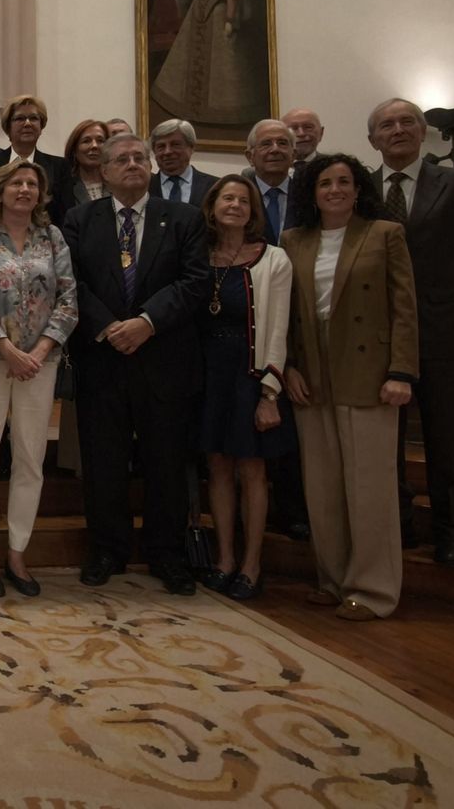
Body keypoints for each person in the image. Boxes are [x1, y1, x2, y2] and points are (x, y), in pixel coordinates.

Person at [62, 134, 210, 595]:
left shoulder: (184, 218)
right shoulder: (80, 219)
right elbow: (70, 283)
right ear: (104, 171)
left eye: (139, 158)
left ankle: (167, 554)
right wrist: (109, 327)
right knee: (103, 462)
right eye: (122, 159)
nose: (133, 164)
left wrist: (146, 322)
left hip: (164, 359)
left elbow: (195, 281)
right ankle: (107, 550)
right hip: (102, 360)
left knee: (165, 462)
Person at [284, 153, 419, 620]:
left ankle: (373, 589)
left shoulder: (384, 234)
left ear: (358, 189)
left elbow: (405, 308)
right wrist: (288, 367)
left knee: (369, 486)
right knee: (322, 487)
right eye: (325, 183)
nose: (335, 190)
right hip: (312, 371)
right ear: (313, 192)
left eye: (344, 182)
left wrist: (401, 372)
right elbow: (286, 312)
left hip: (369, 369)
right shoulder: (293, 240)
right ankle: (333, 580)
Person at [367, 98, 454, 567]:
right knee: (385, 442)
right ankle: (398, 525)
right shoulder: (358, 190)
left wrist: (436, 303)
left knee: (449, 439)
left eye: (407, 122)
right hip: (376, 337)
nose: (397, 130)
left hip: (441, 334)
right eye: (387, 125)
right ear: (373, 139)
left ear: (423, 133)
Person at [0, 160, 77, 597]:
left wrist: (38, 352)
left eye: (32, 183)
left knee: (30, 457)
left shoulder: (53, 237)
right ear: (0, 190)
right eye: (16, 183)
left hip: (39, 364)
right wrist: (7, 349)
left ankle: (17, 552)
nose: (25, 189)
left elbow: (69, 299)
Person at [194, 175, 296, 601]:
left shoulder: (274, 259)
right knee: (217, 466)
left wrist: (270, 393)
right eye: (227, 198)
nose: (234, 205)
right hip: (208, 375)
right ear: (212, 206)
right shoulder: (199, 256)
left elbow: (279, 327)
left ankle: (252, 564)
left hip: (250, 375)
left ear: (253, 211)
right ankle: (224, 559)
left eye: (243, 200)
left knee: (252, 470)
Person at [241, 117, 310, 540]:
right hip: (254, 322)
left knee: (299, 428)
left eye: (283, 143)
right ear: (249, 154)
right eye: (266, 144)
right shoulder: (238, 195)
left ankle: (296, 509)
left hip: (307, 319)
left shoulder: (312, 193)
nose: (275, 150)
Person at [151, 0, 261, 127]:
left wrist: (229, 20)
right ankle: (186, 107)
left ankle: (221, 111)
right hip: (197, 12)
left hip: (219, 13)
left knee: (224, 63)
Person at [0, 94, 69, 224]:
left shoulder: (60, 167)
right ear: (8, 127)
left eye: (33, 118)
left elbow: (65, 215)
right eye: (20, 118)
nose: (27, 123)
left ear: (41, 127)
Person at [148, 119, 218, 206]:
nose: (167, 152)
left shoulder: (214, 186)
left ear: (191, 147)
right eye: (161, 146)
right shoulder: (144, 187)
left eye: (175, 144)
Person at [61, 118, 109, 211]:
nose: (94, 146)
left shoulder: (118, 184)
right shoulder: (64, 187)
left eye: (100, 141)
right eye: (86, 141)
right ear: (74, 150)